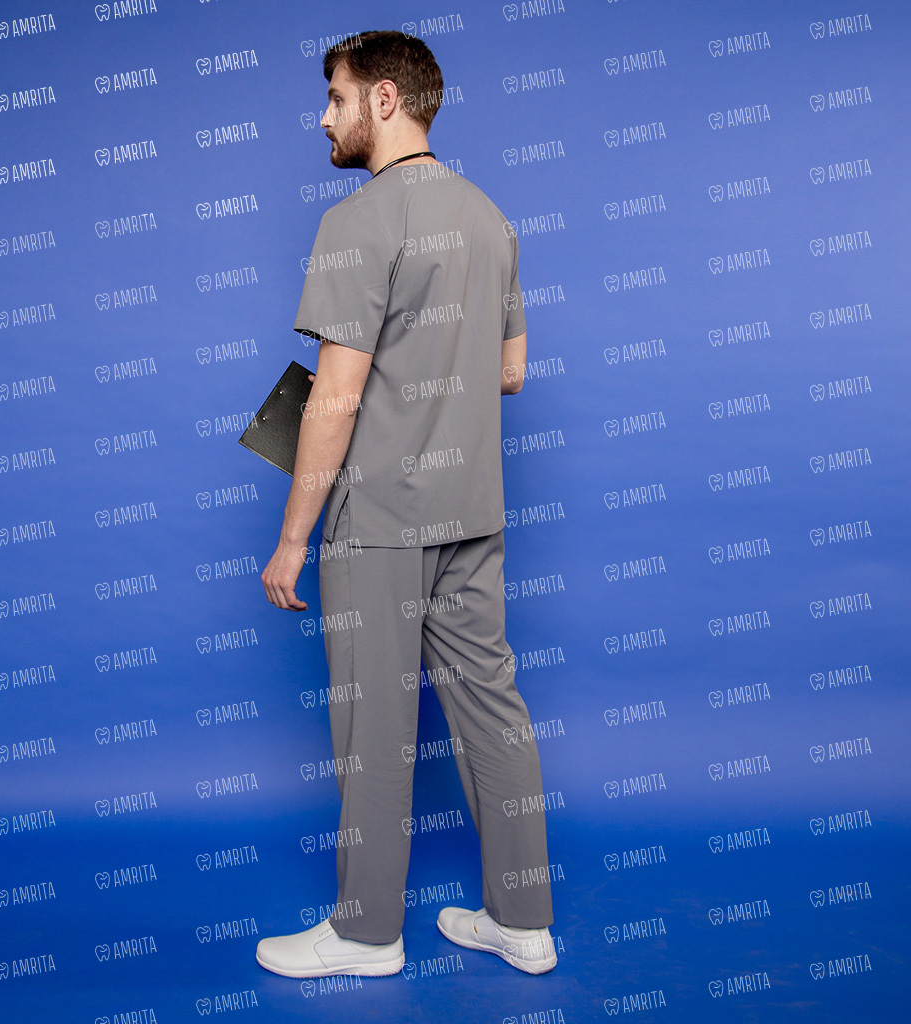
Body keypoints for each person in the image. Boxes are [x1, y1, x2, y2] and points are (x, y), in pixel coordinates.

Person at [257, 30, 555, 979]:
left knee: (374, 727)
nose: (325, 118)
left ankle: (366, 934)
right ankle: (524, 924)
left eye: (336, 98)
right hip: (474, 513)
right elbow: (509, 372)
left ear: (385, 99)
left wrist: (293, 539)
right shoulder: (491, 218)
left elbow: (336, 398)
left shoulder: (357, 221)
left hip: (381, 520)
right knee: (493, 711)